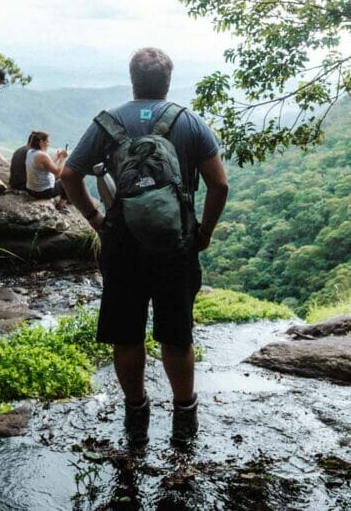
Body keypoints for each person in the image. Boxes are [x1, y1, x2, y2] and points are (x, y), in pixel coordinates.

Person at [61, 47, 229, 448]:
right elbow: (219, 184)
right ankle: (184, 416)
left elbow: (70, 174)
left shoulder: (107, 123)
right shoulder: (188, 122)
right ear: (167, 82)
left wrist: (97, 219)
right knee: (176, 334)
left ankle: (136, 413)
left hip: (121, 244)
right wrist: (203, 232)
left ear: (133, 80)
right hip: (177, 245)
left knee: (127, 333)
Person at [25, 131, 69, 209]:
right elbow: (58, 172)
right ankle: (61, 205)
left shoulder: (31, 152)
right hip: (42, 192)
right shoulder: (42, 155)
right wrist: (62, 159)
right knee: (69, 179)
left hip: (31, 189)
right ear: (41, 142)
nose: (49, 143)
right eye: (47, 141)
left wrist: (57, 157)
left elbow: (45, 166)